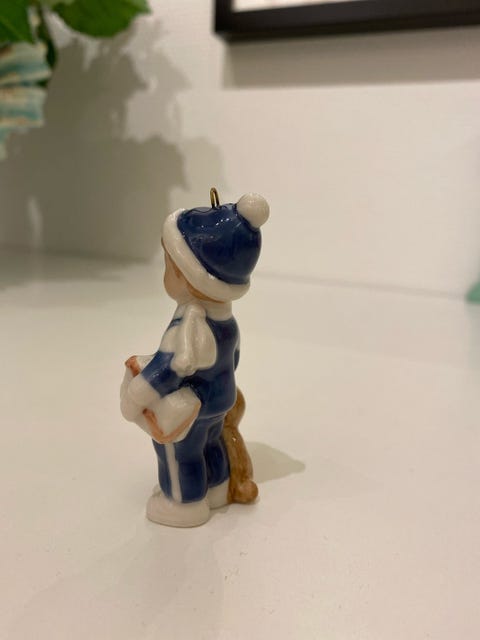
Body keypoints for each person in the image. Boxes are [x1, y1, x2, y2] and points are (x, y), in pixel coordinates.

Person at [120, 191, 269, 527]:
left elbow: (166, 371)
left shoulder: (189, 327)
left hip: (190, 408)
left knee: (179, 452)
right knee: (211, 442)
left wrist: (134, 398)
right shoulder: (226, 322)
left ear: (187, 277)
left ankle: (183, 503)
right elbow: (234, 359)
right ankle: (216, 489)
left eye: (169, 267)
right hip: (218, 402)